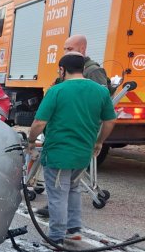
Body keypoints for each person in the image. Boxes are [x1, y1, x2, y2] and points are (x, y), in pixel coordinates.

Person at [26, 53, 116, 248]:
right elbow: (110, 120)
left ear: (62, 70)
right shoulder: (100, 92)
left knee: (58, 194)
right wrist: (99, 142)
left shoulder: (57, 90)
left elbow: (40, 122)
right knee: (73, 189)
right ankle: (74, 230)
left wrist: (31, 141)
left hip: (59, 153)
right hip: (83, 153)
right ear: (83, 69)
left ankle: (56, 236)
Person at [36, 35, 112, 218]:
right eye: (65, 48)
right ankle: (72, 228)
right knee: (70, 185)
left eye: (69, 49)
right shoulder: (68, 70)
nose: (65, 52)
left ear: (83, 49)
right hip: (64, 131)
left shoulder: (93, 72)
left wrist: (98, 138)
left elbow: (102, 104)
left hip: (75, 133)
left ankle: (58, 231)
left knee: (63, 183)